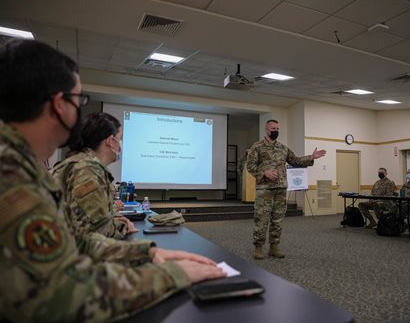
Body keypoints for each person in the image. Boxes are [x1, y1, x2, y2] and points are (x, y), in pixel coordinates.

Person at [0, 39, 225, 322]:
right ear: (59, 105)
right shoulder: (11, 176)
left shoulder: (21, 164)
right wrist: (172, 274)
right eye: (78, 100)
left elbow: (75, 241)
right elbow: (60, 297)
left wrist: (146, 253)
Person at [246, 119, 326, 259]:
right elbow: (250, 166)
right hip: (265, 190)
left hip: (281, 189)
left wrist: (311, 157)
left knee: (278, 219)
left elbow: (295, 160)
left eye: (277, 128)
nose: (276, 130)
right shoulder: (257, 147)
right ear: (266, 130)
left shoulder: (283, 148)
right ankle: (258, 247)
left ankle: (274, 246)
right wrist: (263, 172)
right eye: (273, 128)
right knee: (261, 219)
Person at [52, 112, 137, 240]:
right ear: (110, 141)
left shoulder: (80, 163)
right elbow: (99, 232)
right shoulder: (87, 171)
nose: (121, 144)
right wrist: (124, 225)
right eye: (120, 139)